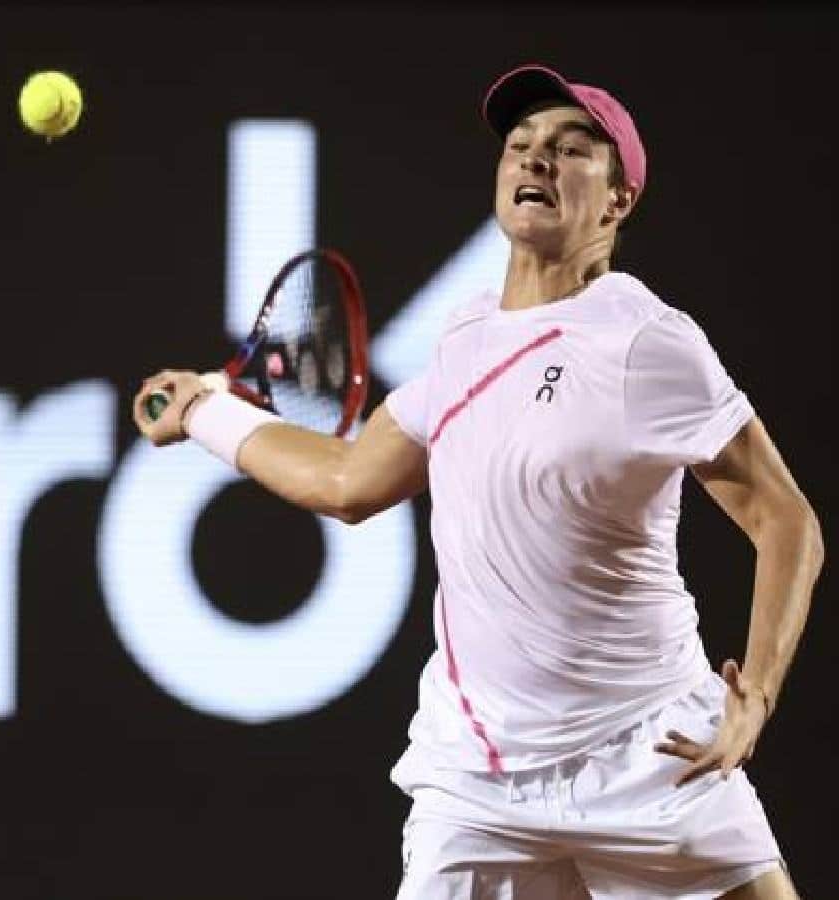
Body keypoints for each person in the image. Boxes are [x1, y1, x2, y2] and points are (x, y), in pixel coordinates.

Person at [132, 64, 823, 899]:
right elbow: (348, 480)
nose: (536, 159)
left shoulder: (647, 341)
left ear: (617, 201)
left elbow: (787, 520)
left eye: (571, 150)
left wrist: (756, 698)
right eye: (522, 145)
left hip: (646, 751)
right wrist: (207, 412)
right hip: (479, 771)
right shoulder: (464, 335)